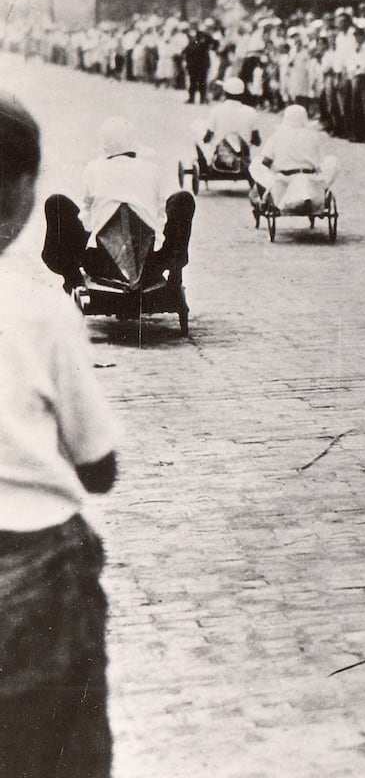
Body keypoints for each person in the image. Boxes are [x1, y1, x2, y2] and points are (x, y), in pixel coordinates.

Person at [0, 92, 122, 778]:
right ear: (20, 192)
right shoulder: (38, 313)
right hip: (32, 567)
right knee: (57, 748)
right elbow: (98, 464)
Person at [42, 117, 192, 292]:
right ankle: (175, 275)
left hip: (103, 263)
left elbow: (87, 220)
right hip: (150, 262)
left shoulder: (93, 169)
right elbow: (161, 217)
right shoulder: (152, 169)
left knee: (56, 202)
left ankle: (72, 277)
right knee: (183, 199)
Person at [195, 77, 263, 167]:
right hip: (243, 157)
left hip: (220, 156)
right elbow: (257, 141)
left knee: (197, 128)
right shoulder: (251, 112)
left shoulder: (216, 110)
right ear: (242, 94)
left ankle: (204, 165)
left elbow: (207, 137)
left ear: (225, 93)